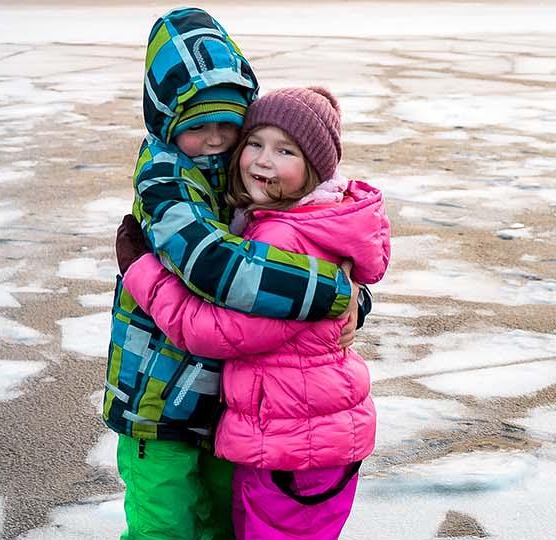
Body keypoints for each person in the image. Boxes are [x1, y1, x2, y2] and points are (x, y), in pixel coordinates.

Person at [103, 9, 369, 540]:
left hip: (226, 401)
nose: (215, 139)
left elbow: (316, 237)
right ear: (166, 120)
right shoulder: (165, 179)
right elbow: (214, 264)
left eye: (228, 125)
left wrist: (356, 298)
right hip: (157, 395)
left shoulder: (241, 168)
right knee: (164, 524)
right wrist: (333, 292)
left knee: (224, 522)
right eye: (197, 126)